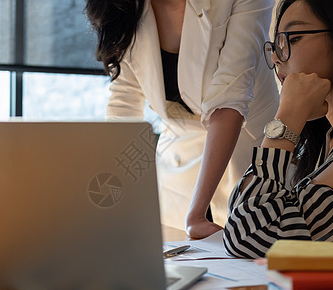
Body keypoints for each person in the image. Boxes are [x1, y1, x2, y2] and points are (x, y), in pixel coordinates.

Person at [85, 0, 279, 238]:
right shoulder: (125, 7)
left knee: (249, 252)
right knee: (180, 266)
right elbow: (124, 102)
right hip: (177, 165)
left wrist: (196, 213)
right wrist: (105, 196)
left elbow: (230, 98)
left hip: (247, 153)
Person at [224, 0, 333, 258]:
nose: (276, 58)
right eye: (276, 45)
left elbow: (244, 236)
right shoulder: (323, 142)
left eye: (293, 39)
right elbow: (243, 211)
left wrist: (286, 119)